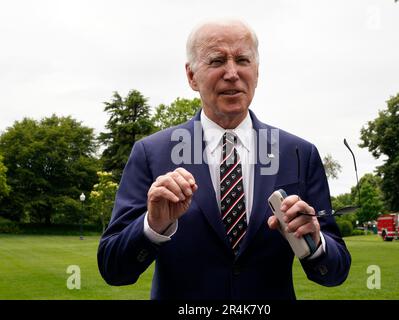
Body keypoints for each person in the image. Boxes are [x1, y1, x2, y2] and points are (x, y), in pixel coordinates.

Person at [97, 19, 351, 300]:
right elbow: (113, 268)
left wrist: (314, 243)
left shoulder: (299, 154)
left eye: (243, 59)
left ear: (257, 71)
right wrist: (152, 225)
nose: (232, 73)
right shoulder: (151, 153)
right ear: (191, 76)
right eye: (217, 61)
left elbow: (335, 271)